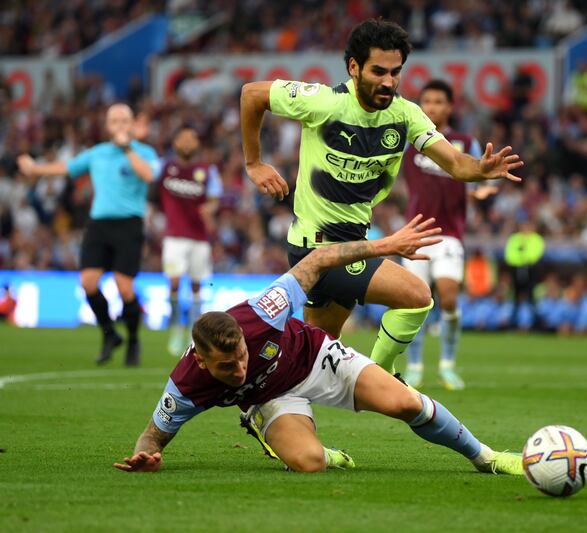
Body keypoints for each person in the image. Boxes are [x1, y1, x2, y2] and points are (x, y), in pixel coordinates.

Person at [113, 216, 523, 476]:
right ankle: (299, 440)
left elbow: (319, 259)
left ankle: (486, 457)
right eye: (226, 368)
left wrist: (383, 246)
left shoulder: (262, 311)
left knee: (406, 404)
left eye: (241, 355)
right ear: (201, 362)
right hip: (271, 397)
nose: (238, 368)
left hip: (314, 357)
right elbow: (152, 436)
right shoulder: (185, 384)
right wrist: (147, 456)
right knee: (308, 464)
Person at [239, 19, 522, 378]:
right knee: (417, 296)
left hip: (351, 242)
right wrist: (254, 162)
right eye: (378, 71)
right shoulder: (324, 102)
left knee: (310, 357)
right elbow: (252, 94)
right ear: (353, 67)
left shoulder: (405, 115)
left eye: (395, 72)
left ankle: (264, 399)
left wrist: (479, 169)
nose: (388, 82)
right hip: (320, 247)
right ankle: (380, 376)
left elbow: (454, 162)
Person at [17, 104, 160, 366]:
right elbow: (67, 167)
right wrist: (35, 169)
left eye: (123, 120)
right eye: (114, 120)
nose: (118, 125)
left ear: (131, 124)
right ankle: (109, 334)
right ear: (107, 126)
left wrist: (127, 147)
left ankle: (133, 339)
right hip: (98, 224)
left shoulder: (143, 152)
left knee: (124, 286)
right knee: (88, 282)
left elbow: (149, 175)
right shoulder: (97, 153)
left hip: (129, 224)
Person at [399, 79, 496, 390]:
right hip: (414, 232)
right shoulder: (409, 140)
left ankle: (447, 365)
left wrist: (483, 190)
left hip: (450, 233)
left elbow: (483, 175)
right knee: (414, 303)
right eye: (427, 101)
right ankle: (414, 366)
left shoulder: (465, 142)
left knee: (449, 297)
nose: (432, 107)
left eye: (439, 102)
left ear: (450, 107)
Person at [155, 127, 222, 356]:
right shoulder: (164, 167)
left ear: (197, 144)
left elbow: (214, 199)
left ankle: (194, 331)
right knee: (174, 282)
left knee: (196, 285)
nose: (186, 142)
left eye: (191, 138)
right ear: (174, 143)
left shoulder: (206, 171)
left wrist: (209, 209)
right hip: (174, 236)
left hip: (199, 238)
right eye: (182, 138)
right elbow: (150, 186)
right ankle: (176, 327)